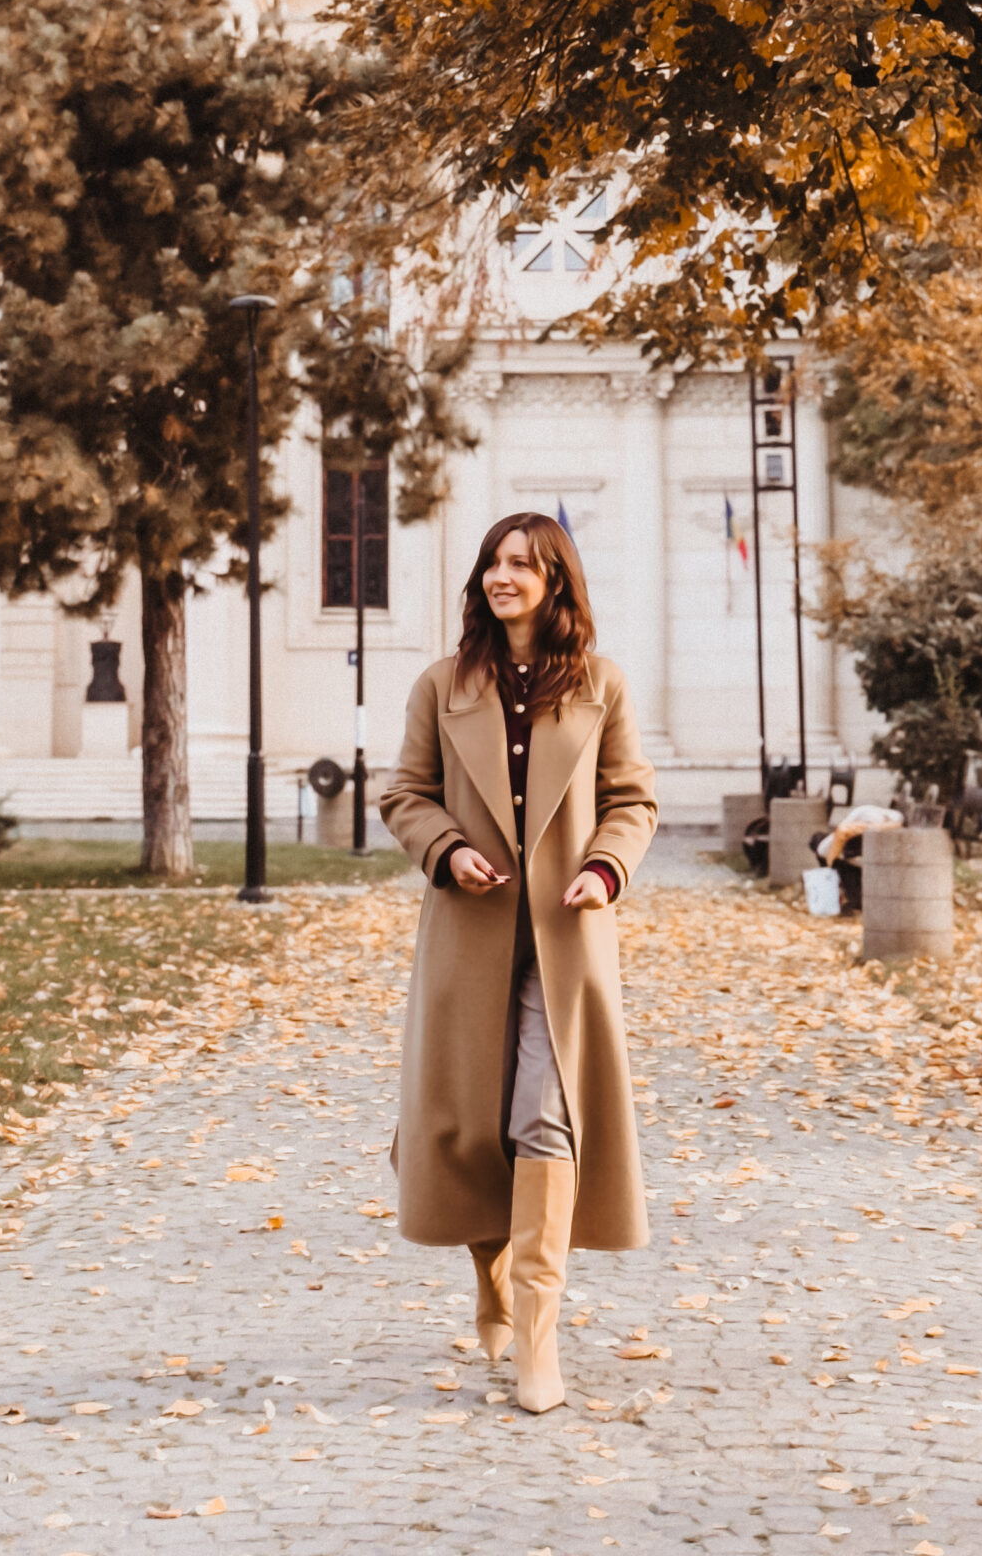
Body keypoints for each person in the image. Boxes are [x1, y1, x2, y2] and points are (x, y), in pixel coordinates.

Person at [379, 511, 659, 1413]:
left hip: (565, 944)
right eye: (493, 563)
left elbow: (632, 798)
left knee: (546, 1120)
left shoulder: (602, 685)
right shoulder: (441, 685)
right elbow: (405, 793)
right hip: (470, 938)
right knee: (471, 1125)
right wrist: (448, 849)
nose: (503, 577)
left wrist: (606, 866)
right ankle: (491, 1278)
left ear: (555, 582)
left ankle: (538, 1335)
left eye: (521, 565)